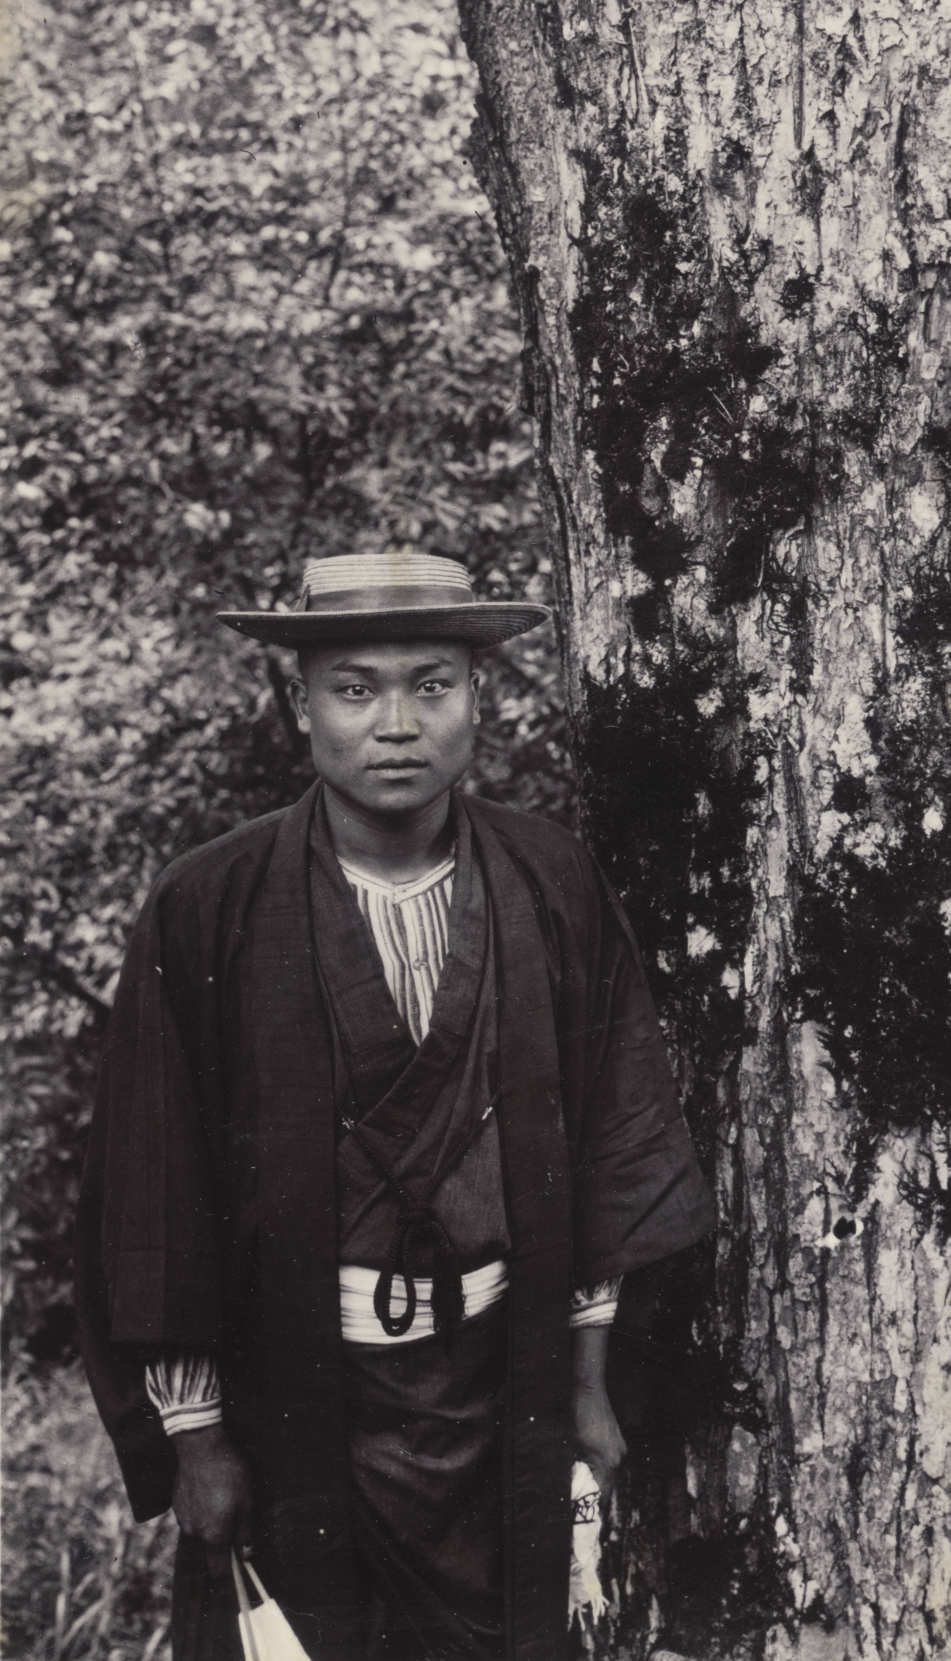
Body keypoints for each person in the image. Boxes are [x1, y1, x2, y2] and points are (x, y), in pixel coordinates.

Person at [75, 551, 713, 1661]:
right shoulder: (208, 905)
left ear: (480, 697)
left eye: (433, 683)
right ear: (302, 705)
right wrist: (196, 1435)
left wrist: (587, 1375)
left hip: (500, 1384)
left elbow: (614, 1133)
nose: (396, 723)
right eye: (355, 687)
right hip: (294, 1396)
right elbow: (155, 1185)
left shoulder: (547, 880)